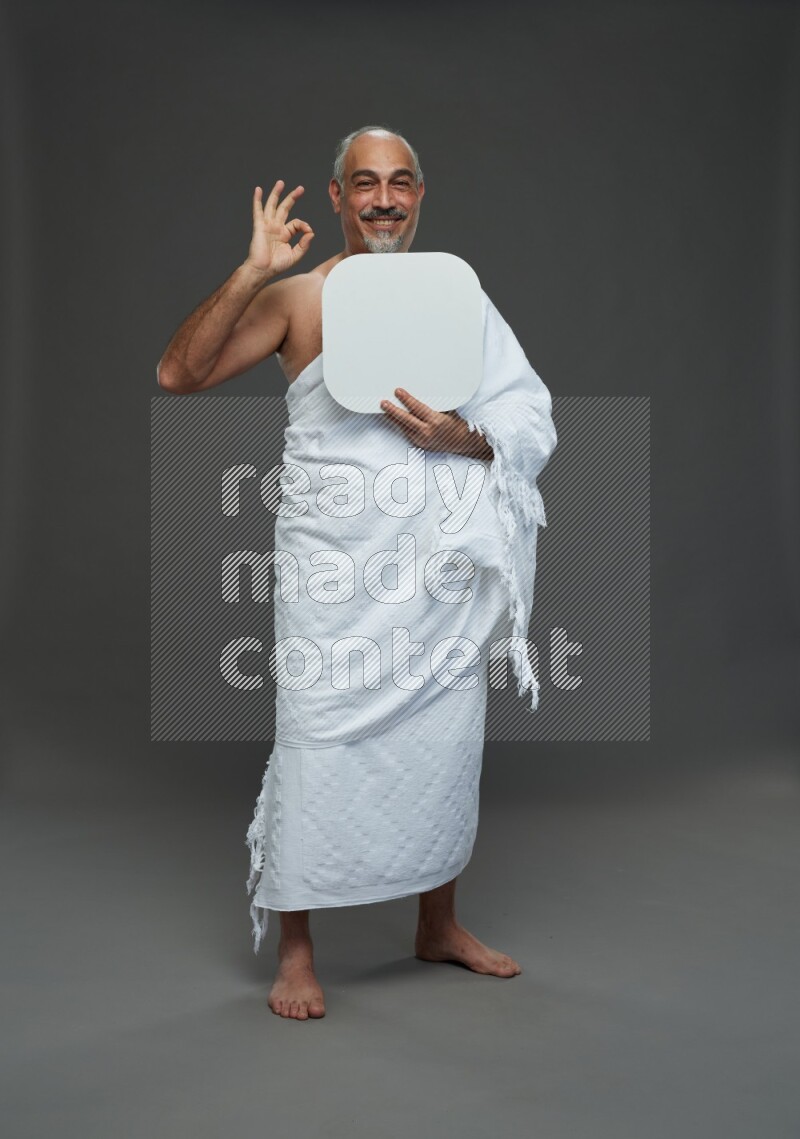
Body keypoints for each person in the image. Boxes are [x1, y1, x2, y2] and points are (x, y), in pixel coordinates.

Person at [157, 125, 557, 1021]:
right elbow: (179, 373)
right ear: (337, 197)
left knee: (444, 740)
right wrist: (252, 270)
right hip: (335, 568)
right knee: (316, 737)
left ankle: (437, 924)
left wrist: (464, 437)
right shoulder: (298, 299)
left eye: (400, 182)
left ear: (419, 196)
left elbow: (526, 409)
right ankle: (297, 950)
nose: (384, 198)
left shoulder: (459, 297)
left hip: (438, 571)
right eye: (365, 183)